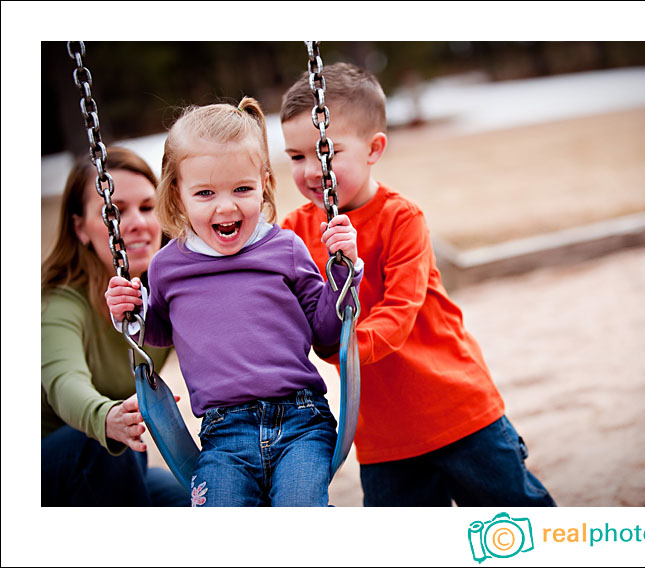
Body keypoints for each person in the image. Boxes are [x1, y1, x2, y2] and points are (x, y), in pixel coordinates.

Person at [280, 63, 556, 506]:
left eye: (325, 152)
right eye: (296, 157)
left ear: (374, 149)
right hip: (381, 434)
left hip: (457, 410)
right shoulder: (293, 232)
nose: (312, 171)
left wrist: (345, 346)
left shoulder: (401, 218)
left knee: (513, 522)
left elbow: (398, 312)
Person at [105, 97, 362, 507]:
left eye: (242, 188)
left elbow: (327, 332)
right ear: (177, 193)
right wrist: (130, 311)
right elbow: (155, 332)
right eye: (205, 193)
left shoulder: (285, 249)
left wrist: (344, 273)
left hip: (301, 421)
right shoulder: (168, 266)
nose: (226, 206)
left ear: (263, 182)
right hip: (223, 435)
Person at [41, 146, 189, 506]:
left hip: (120, 465)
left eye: (147, 207)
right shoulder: (60, 304)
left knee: (193, 499)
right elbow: (64, 382)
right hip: (48, 467)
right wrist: (105, 417)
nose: (137, 223)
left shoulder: (165, 291)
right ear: (79, 228)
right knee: (105, 446)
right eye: (114, 211)